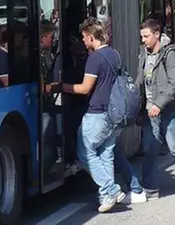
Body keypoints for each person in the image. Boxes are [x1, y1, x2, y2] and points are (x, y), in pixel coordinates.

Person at [49, 18, 129, 212]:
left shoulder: (95, 58)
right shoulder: (114, 54)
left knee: (84, 152)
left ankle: (110, 189)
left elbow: (85, 88)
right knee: (105, 154)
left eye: (84, 37)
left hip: (97, 113)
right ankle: (106, 197)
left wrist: (59, 87)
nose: (83, 41)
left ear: (91, 37)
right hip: (114, 114)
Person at [137, 19, 175, 198]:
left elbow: (174, 85)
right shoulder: (143, 54)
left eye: (146, 36)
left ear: (157, 34)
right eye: (142, 37)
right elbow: (140, 78)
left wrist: (159, 104)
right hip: (149, 109)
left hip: (168, 108)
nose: (143, 40)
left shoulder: (170, 54)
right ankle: (150, 188)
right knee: (150, 149)